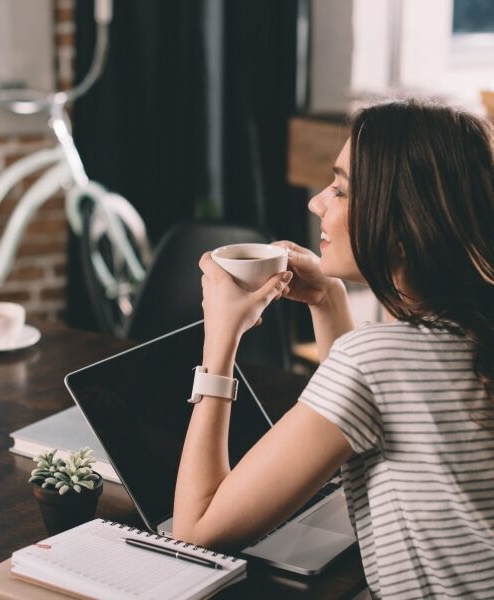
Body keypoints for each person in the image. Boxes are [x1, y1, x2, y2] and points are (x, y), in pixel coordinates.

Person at [173, 98, 494, 599]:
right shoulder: (465, 333)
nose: (316, 202)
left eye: (341, 190)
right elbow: (373, 411)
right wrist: (326, 298)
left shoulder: (376, 360)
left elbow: (196, 531)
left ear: (404, 222)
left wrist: (219, 342)